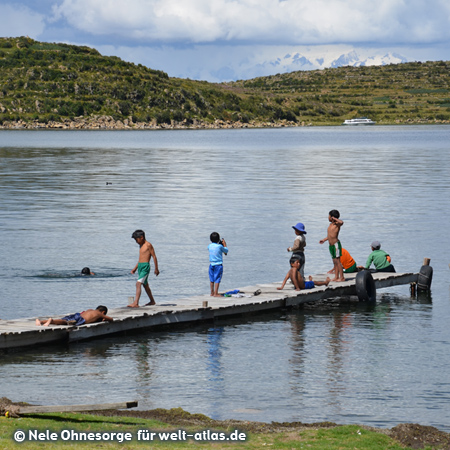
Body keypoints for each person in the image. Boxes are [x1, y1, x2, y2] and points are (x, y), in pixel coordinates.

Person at [128, 229, 160, 307]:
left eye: (136, 239)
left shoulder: (148, 245)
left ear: (141, 237)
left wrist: (156, 268)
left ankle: (136, 303)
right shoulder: (141, 246)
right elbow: (140, 259)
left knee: (138, 284)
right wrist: (135, 268)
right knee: (145, 285)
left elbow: (154, 256)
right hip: (140, 266)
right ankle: (152, 301)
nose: (136, 241)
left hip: (145, 267)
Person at [319, 209, 345, 282]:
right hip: (331, 246)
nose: (328, 217)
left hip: (336, 244)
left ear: (332, 217)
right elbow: (330, 236)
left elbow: (342, 222)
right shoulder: (330, 225)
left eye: (329, 216)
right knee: (334, 262)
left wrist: (335, 219)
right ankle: (336, 276)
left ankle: (342, 277)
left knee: (338, 261)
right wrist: (324, 239)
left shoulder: (337, 224)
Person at [36, 305, 113, 326]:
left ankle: (41, 321)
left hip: (78, 315)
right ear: (103, 312)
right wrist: (104, 318)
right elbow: (111, 319)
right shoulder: (100, 314)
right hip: (80, 319)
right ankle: (51, 320)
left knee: (64, 320)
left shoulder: (90, 310)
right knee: (65, 323)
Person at [208, 232, 228, 297]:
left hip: (211, 264)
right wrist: (224, 244)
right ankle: (216, 293)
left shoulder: (209, 246)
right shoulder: (220, 246)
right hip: (218, 265)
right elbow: (226, 251)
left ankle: (212, 293)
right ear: (218, 239)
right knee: (217, 279)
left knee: (212, 279)